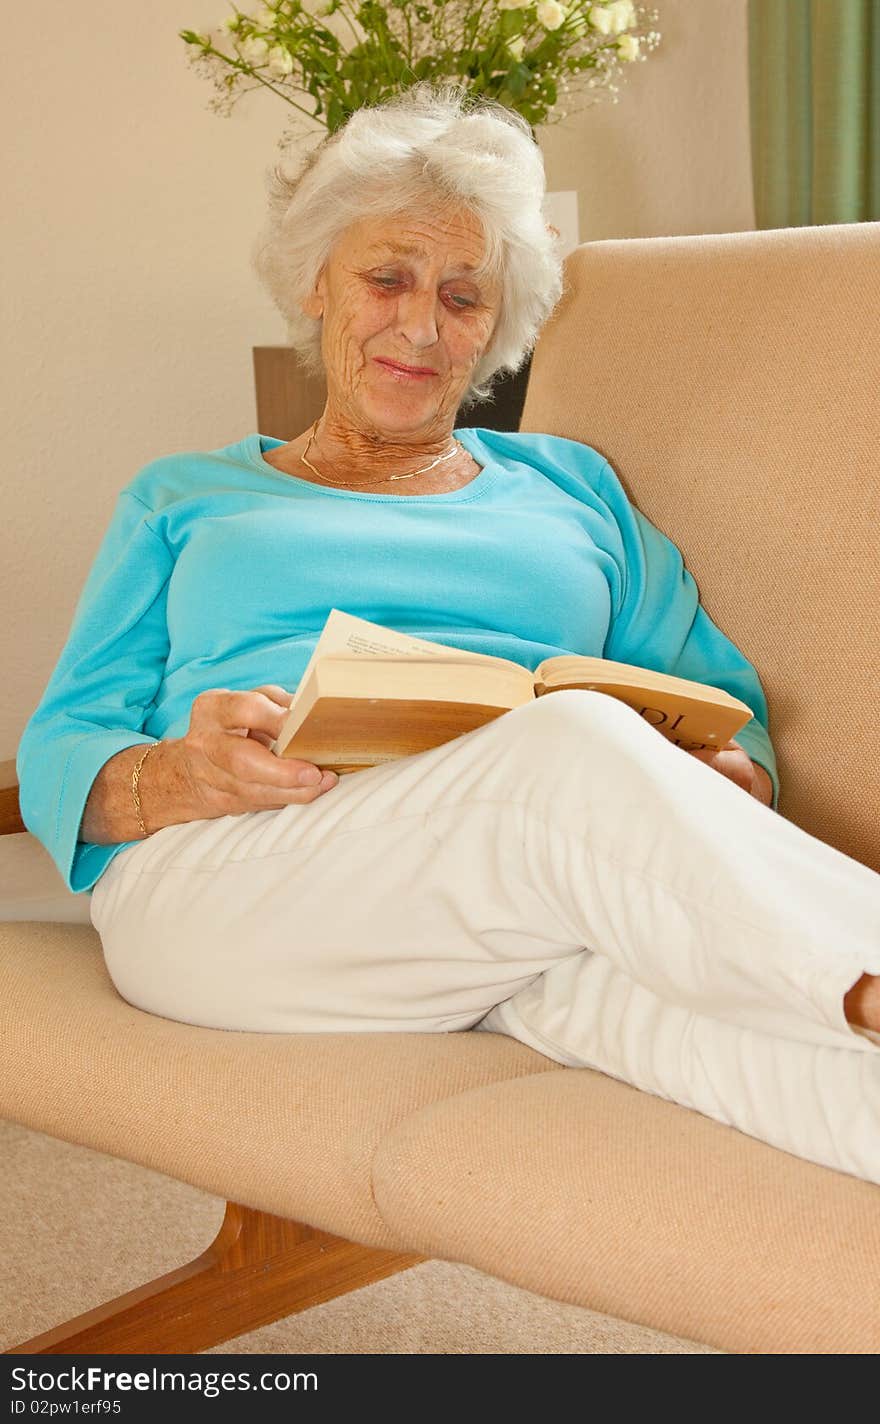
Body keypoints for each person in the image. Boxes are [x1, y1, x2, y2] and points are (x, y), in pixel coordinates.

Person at [17, 85, 880, 1187]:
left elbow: (724, 706)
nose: (420, 325)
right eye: (387, 277)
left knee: (713, 1030)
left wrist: (721, 770)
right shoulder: (185, 496)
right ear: (319, 279)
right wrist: (183, 774)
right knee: (565, 743)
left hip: (512, 902)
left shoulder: (573, 487)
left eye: (463, 295)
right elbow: (64, 739)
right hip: (234, 890)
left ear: (497, 326)